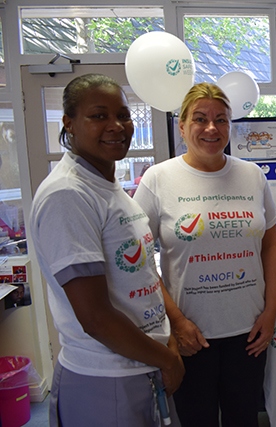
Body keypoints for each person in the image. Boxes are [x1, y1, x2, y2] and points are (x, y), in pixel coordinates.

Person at [29, 73, 184, 426]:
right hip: (106, 378)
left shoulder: (107, 186)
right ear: (69, 123)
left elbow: (141, 276)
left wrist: (167, 341)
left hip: (140, 367)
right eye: (98, 115)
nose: (116, 126)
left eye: (124, 115)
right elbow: (95, 317)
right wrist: (168, 358)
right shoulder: (68, 195)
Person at [133, 82, 276, 427]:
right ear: (182, 126)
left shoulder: (252, 176)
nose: (212, 128)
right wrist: (176, 322)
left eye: (222, 119)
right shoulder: (158, 179)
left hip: (249, 332)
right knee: (197, 419)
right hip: (191, 335)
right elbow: (138, 260)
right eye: (200, 119)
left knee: (243, 418)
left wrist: (271, 311)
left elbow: (271, 245)